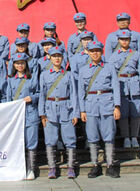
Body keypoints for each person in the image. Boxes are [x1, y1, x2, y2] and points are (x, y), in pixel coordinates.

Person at [78, 41, 121, 179]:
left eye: (97, 50)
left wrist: (117, 106)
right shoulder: (83, 70)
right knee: (92, 137)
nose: (95, 53)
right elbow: (81, 92)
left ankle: (110, 164)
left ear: (102, 52)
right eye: (92, 51)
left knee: (109, 136)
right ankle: (95, 164)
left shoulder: (109, 67)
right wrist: (82, 110)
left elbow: (115, 87)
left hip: (107, 105)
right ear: (88, 53)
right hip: (90, 106)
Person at [38, 46, 79, 179]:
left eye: (59, 56)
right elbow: (42, 95)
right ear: (49, 57)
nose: (57, 58)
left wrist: (75, 113)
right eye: (54, 56)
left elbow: (73, 94)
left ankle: (71, 167)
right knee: (50, 140)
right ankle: (52, 167)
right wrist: (42, 114)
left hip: (66, 108)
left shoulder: (68, 74)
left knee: (70, 139)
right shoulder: (44, 75)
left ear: (62, 58)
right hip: (50, 109)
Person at [108, 30, 140, 148]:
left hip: (135, 85)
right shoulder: (113, 56)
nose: (124, 41)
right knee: (124, 114)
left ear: (130, 40)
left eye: (126, 39)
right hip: (121, 86)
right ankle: (126, 137)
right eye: (122, 39)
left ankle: (134, 137)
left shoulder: (136, 54)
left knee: (135, 113)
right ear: (118, 41)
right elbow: (111, 74)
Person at [6, 52, 40, 180]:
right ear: (13, 65)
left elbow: (39, 93)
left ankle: (31, 168)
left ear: (26, 64)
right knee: (17, 142)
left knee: (31, 142)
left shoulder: (32, 78)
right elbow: (8, 98)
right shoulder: (10, 80)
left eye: (22, 63)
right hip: (16, 115)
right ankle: (18, 168)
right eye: (17, 63)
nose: (20, 65)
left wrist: (32, 97)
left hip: (30, 112)